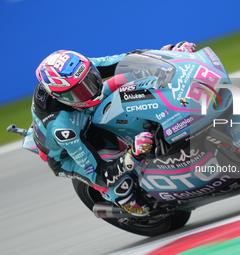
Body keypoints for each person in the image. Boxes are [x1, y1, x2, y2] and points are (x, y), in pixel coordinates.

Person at [32, 41, 196, 216]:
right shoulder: (62, 128)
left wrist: (169, 54)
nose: (91, 89)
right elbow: (99, 174)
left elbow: (128, 59)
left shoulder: (79, 70)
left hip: (85, 111)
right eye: (80, 91)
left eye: (90, 79)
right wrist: (131, 155)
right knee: (120, 188)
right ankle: (123, 201)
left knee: (135, 76)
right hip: (68, 153)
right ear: (61, 96)